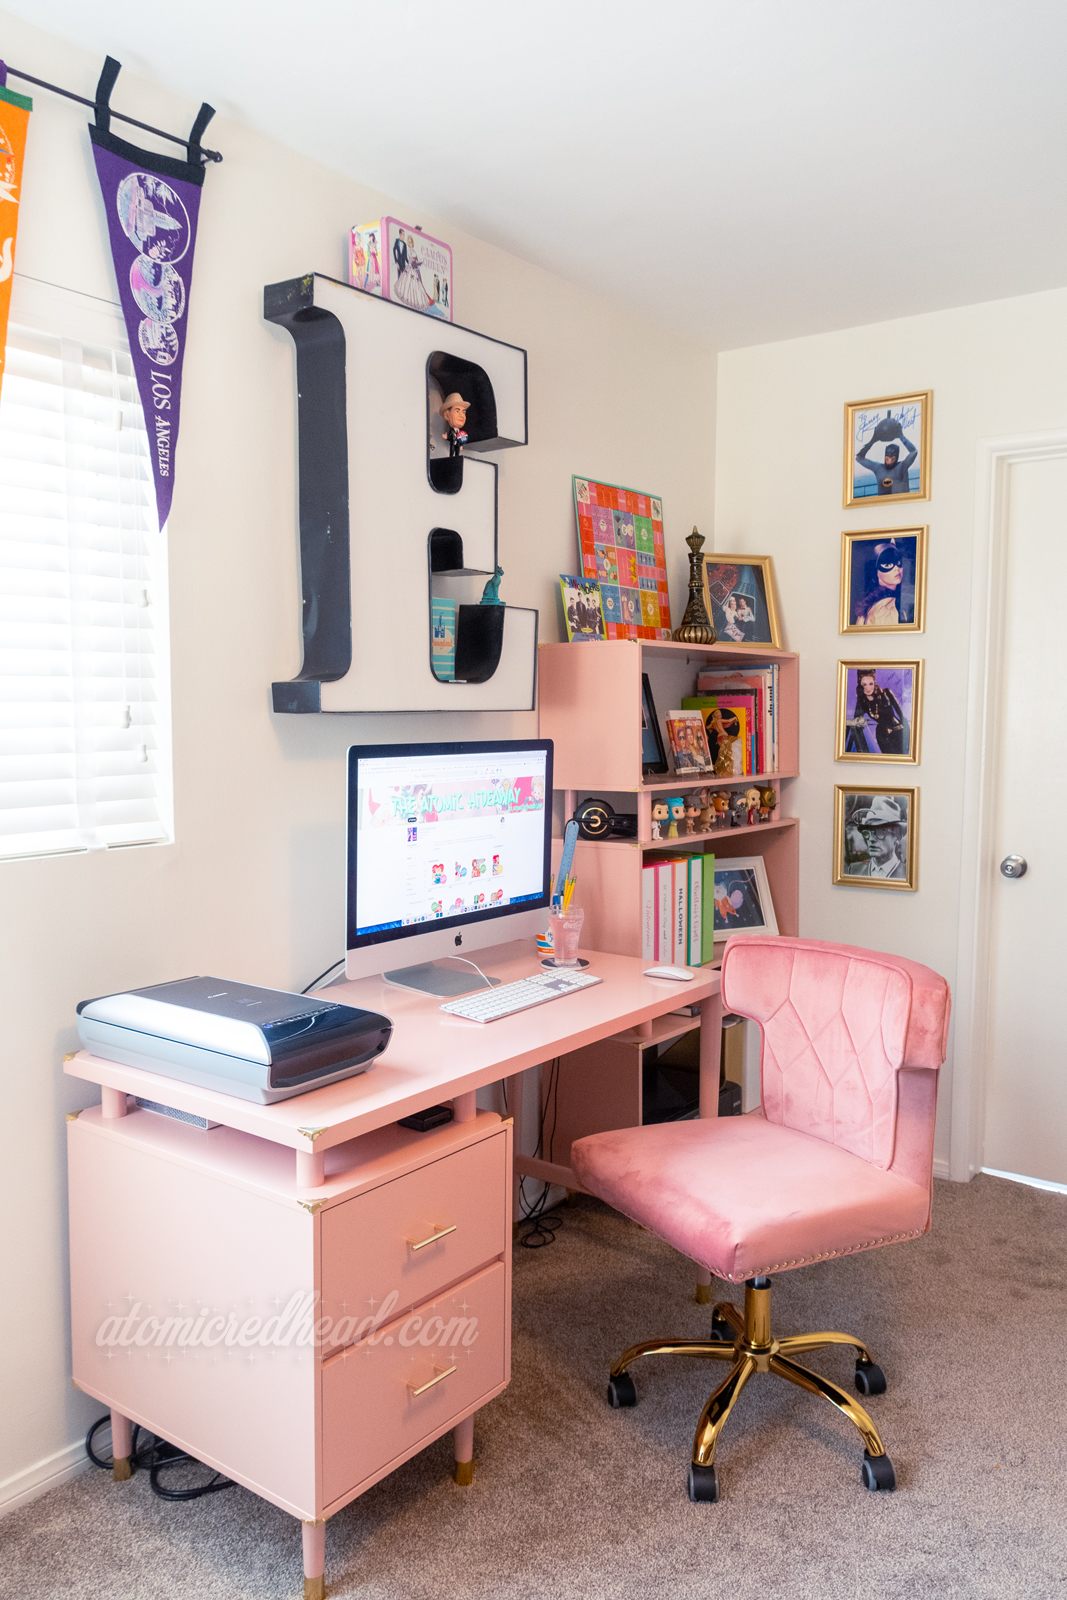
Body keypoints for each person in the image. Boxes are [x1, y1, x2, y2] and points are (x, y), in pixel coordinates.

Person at [846, 670, 906, 755]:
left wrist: (908, 733)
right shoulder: (862, 701)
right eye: (864, 685)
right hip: (882, 735)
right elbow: (857, 717)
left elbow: (901, 714)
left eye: (871, 684)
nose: (868, 688)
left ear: (874, 683)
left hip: (897, 732)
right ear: (860, 686)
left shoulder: (886, 693)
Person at [855, 415, 918, 496]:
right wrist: (872, 440)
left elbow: (914, 452)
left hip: (901, 504)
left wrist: (901, 437)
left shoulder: (902, 466)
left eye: (892, 458)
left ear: (896, 457)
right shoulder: (878, 468)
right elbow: (859, 458)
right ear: (885, 456)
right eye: (888, 457)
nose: (890, 459)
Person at [853, 540, 911, 627]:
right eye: (888, 564)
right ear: (876, 572)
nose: (896, 568)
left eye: (898, 562)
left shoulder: (875, 601)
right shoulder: (885, 607)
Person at [847, 795, 907, 879]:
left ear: (897, 837)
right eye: (868, 833)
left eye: (881, 832)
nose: (871, 839)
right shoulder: (854, 870)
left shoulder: (907, 874)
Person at [440, 392, 470, 456]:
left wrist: (461, 445)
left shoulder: (460, 433)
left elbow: (461, 439)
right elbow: (450, 436)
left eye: (463, 412)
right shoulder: (452, 431)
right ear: (447, 415)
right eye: (457, 411)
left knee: (457, 453)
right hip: (452, 445)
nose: (461, 415)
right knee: (452, 453)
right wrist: (447, 436)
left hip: (457, 445)